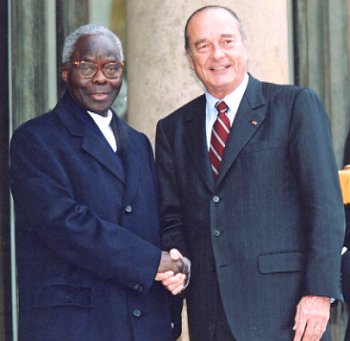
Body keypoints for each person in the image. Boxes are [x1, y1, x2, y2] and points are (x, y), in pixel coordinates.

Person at [155, 5, 345, 341]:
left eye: (227, 41)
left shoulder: (294, 106)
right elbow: (172, 220)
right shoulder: (173, 129)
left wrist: (319, 293)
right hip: (210, 317)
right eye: (203, 45)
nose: (217, 54)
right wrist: (178, 264)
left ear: (245, 45)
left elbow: (325, 209)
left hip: (288, 315)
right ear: (189, 58)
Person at [10, 24, 187, 341]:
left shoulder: (138, 143)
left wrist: (179, 266)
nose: (101, 78)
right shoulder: (34, 140)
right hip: (77, 327)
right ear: (65, 73)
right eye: (87, 66)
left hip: (145, 325)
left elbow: (155, 223)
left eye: (112, 67)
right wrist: (151, 262)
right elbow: (64, 224)